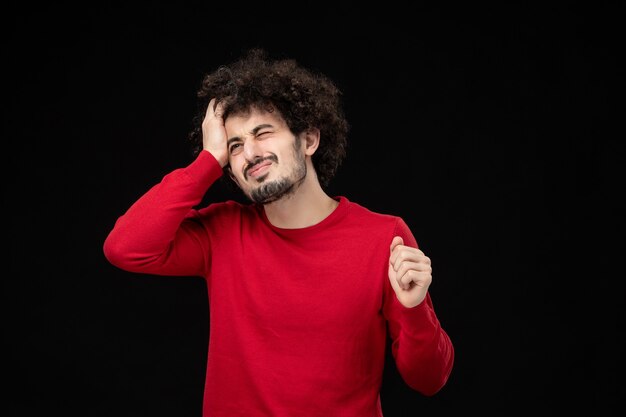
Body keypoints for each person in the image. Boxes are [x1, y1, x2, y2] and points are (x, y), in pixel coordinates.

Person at [103, 48, 454, 417]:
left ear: (309, 140)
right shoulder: (222, 232)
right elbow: (125, 248)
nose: (249, 153)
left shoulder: (385, 237)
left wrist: (415, 310)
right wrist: (207, 161)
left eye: (263, 133)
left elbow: (429, 379)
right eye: (234, 146)